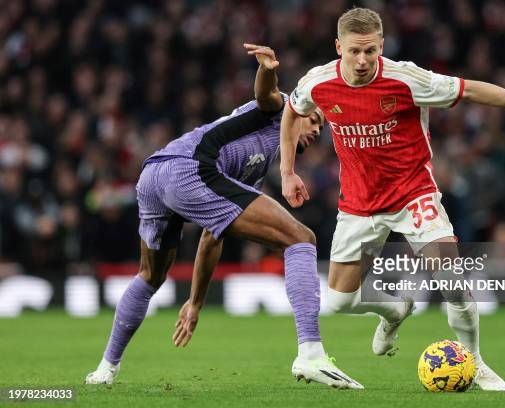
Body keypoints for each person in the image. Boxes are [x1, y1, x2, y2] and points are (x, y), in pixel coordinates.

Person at [280, 7, 505, 392]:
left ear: (382, 46)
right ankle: (395, 309)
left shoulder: (406, 79)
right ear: (339, 47)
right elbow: (291, 111)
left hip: (413, 195)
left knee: (452, 280)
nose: (363, 60)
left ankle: (475, 362)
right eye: (354, 51)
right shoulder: (317, 83)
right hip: (359, 204)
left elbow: (470, 89)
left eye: (370, 51)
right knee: (340, 301)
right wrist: (287, 171)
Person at [85, 44, 363, 390]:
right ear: (300, 109)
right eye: (315, 120)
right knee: (301, 238)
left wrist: (195, 302)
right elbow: (265, 95)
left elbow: (212, 236)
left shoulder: (256, 164)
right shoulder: (282, 110)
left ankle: (105, 369)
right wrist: (267, 69)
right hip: (188, 169)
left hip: (154, 175)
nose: (318, 130)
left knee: (150, 275)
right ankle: (311, 353)